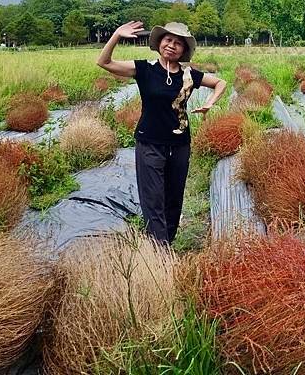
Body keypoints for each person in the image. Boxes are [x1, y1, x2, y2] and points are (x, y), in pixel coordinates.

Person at [97, 21, 226, 244]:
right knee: (153, 199)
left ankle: (168, 240)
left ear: (184, 50)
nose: (172, 45)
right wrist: (117, 34)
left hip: (180, 145)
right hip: (149, 143)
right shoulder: (144, 69)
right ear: (159, 43)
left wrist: (210, 103)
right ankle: (161, 252)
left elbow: (220, 83)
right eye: (168, 40)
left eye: (178, 43)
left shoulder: (189, 75)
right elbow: (104, 62)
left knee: (174, 198)